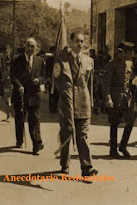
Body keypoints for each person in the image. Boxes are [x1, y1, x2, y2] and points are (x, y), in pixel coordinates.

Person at [54, 32, 98, 176]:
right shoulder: (62, 61)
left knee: (83, 136)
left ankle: (87, 168)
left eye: (82, 41)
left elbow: (90, 84)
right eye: (77, 41)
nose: (80, 44)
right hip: (67, 104)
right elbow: (58, 83)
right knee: (66, 133)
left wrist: (91, 102)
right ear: (71, 43)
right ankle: (64, 166)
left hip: (83, 104)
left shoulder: (89, 61)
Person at [10, 38, 45, 155]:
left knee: (35, 120)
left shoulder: (40, 61)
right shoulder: (16, 60)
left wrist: (39, 80)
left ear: (36, 48)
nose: (30, 49)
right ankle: (19, 139)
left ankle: (37, 144)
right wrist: (19, 85)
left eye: (33, 47)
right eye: (28, 46)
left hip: (34, 94)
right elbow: (13, 76)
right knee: (20, 118)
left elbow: (44, 76)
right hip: (20, 94)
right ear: (25, 46)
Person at [103, 41, 135, 158]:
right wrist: (108, 98)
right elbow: (106, 83)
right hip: (115, 96)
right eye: (129, 53)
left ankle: (123, 145)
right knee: (115, 122)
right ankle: (113, 149)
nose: (131, 55)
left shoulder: (130, 64)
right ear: (124, 53)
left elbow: (129, 79)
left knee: (131, 120)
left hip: (127, 96)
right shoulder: (112, 64)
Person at [45, 46, 59, 113]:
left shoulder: (60, 59)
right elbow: (46, 69)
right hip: (51, 78)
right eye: (54, 51)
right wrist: (48, 77)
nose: (55, 52)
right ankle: (52, 108)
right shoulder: (49, 59)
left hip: (58, 79)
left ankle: (56, 106)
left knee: (58, 93)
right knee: (52, 93)